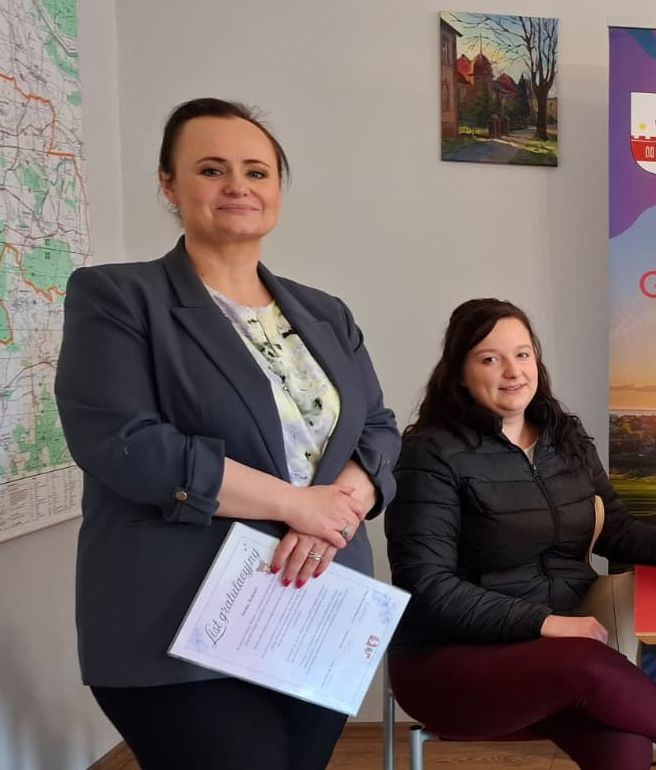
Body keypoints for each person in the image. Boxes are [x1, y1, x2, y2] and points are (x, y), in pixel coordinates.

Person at [54, 98, 400, 770]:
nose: (238, 186)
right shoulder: (118, 297)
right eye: (212, 169)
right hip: (179, 619)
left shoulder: (326, 313)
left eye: (257, 172)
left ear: (277, 190)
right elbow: (126, 443)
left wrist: (339, 509)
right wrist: (297, 504)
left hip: (317, 608)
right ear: (169, 184)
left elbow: (379, 430)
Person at [385, 298, 656, 770]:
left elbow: (615, 530)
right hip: (451, 662)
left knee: (626, 738)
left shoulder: (563, 437)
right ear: (459, 373)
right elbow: (428, 586)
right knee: (591, 665)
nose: (512, 371)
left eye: (522, 354)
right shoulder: (429, 453)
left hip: (558, 656)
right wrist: (544, 623)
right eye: (490, 359)